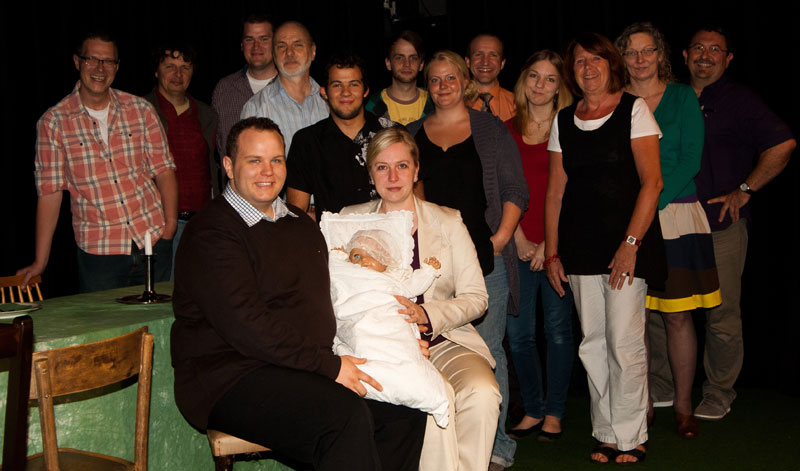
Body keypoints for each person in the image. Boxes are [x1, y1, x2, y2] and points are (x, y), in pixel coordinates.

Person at [171, 117, 426, 471]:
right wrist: (329, 367)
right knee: (342, 416)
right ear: (228, 166)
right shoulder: (212, 232)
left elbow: (335, 301)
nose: (268, 171)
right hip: (231, 376)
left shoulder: (299, 223)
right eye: (254, 160)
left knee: (402, 408)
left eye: (276, 160)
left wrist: (394, 341)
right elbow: (248, 326)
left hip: (299, 366)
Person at [340, 127, 500, 471]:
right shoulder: (348, 220)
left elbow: (477, 297)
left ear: (416, 170)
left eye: (402, 166)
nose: (393, 176)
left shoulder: (448, 221)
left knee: (483, 393)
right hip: (380, 348)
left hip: (444, 340)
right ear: (370, 174)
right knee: (432, 397)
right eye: (382, 167)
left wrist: (428, 315)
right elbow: (333, 294)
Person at [544, 32, 665, 464]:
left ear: (611, 64)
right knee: (593, 343)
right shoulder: (563, 120)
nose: (588, 67)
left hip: (625, 246)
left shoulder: (635, 110)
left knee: (623, 343)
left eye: (596, 59)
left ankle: (632, 435)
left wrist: (631, 245)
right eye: (580, 61)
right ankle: (607, 432)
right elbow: (555, 193)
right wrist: (553, 253)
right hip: (579, 248)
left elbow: (653, 183)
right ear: (571, 72)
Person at [407, 50, 528, 471]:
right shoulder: (413, 132)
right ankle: (450, 446)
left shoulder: (491, 130)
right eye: (435, 80)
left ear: (465, 82)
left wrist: (499, 241)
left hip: (484, 262)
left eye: (450, 78)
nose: (443, 86)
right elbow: (412, 197)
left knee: (488, 351)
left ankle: (497, 448)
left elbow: (515, 190)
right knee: (437, 351)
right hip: (433, 269)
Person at [682, 25, 795, 420]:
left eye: (715, 49)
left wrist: (745, 188)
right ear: (685, 55)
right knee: (664, 311)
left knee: (722, 313)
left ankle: (718, 392)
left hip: (721, 225)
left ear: (728, 59)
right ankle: (662, 386)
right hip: (672, 222)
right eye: (698, 47)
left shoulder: (740, 100)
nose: (705, 55)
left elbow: (783, 143)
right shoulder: (670, 97)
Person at [615, 22, 721, 438]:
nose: (640, 59)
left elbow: (691, 159)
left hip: (674, 215)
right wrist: (634, 213)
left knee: (678, 319)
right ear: (622, 60)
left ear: (660, 55)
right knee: (633, 319)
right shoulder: (616, 101)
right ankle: (641, 404)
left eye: (647, 51)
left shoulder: (682, 97)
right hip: (629, 220)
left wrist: (650, 204)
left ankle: (683, 406)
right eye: (631, 52)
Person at [17, 32, 177, 293]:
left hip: (154, 240)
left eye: (108, 61)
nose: (100, 69)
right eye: (92, 59)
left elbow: (164, 169)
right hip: (100, 254)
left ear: (117, 66)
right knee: (105, 321)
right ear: (77, 62)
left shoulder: (140, 109)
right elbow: (50, 193)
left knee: (158, 317)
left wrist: (170, 225)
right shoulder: (54, 122)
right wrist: (40, 261)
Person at [504, 50, 575, 442]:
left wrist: (549, 244)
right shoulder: (505, 130)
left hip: (557, 247)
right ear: (523, 80)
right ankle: (532, 409)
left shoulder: (571, 128)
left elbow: (574, 191)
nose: (540, 85)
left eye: (550, 79)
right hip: (515, 245)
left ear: (560, 86)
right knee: (518, 336)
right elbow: (497, 189)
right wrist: (517, 237)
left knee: (558, 331)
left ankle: (555, 413)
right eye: (534, 75)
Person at [323, 221, 449, 427]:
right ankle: (367, 374)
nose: (363, 260)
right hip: (357, 322)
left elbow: (414, 286)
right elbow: (332, 275)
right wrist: (336, 257)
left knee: (402, 353)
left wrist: (428, 271)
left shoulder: (393, 280)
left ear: (386, 261)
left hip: (388, 324)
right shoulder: (347, 273)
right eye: (356, 256)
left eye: (372, 255)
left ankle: (416, 388)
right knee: (359, 343)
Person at [286, 54, 394, 221]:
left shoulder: (393, 135)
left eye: (354, 84)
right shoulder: (307, 142)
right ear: (324, 91)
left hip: (390, 233)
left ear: (365, 90)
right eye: (337, 85)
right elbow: (297, 216)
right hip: (331, 237)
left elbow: (415, 202)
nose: (346, 92)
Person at [143, 43, 219, 279]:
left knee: (198, 291)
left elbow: (214, 169)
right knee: (162, 292)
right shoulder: (140, 110)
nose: (178, 74)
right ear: (156, 71)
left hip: (200, 225)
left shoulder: (206, 114)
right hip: (158, 226)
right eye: (170, 67)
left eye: (185, 67)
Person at [240, 20, 328, 152]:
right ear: (274, 55)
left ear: (313, 51)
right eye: (281, 46)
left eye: (297, 45)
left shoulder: (331, 103)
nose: (289, 53)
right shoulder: (256, 108)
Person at [212, 14, 277, 159]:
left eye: (264, 39)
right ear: (242, 45)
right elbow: (218, 146)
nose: (256, 46)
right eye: (249, 39)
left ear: (276, 43)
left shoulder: (289, 88)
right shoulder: (224, 89)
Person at [365, 30, 434, 124]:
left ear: (421, 64)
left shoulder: (435, 101)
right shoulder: (373, 106)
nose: (407, 64)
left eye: (413, 58)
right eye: (399, 58)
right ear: (388, 63)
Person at [466, 34, 515, 121]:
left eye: (493, 55)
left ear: (502, 63)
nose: (485, 62)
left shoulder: (517, 105)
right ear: (468, 62)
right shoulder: (454, 103)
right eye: (478, 54)